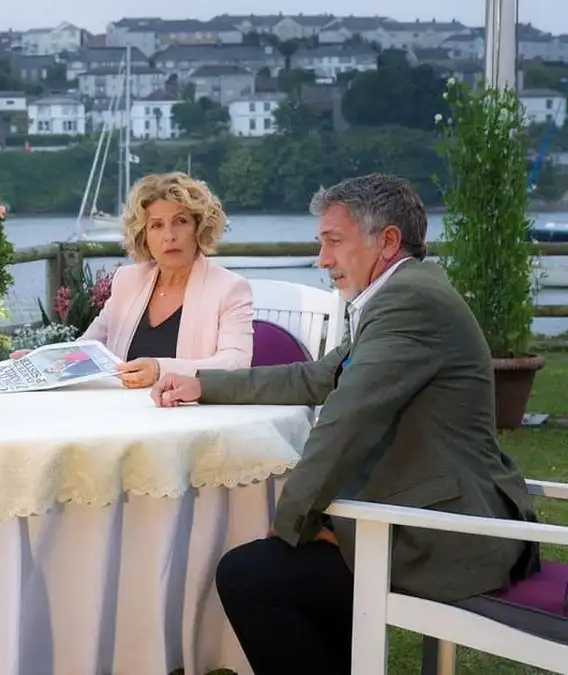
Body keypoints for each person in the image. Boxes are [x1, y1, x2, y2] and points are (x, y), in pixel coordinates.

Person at [151, 173, 541, 675]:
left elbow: (344, 420)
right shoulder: (403, 293)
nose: (322, 259)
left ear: (388, 241)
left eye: (334, 241)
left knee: (250, 575)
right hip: (424, 512)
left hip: (449, 537)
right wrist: (203, 384)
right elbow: (317, 377)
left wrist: (290, 526)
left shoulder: (409, 303)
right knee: (293, 571)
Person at [13, 171, 253, 387]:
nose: (169, 236)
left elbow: (236, 363)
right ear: (143, 235)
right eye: (156, 225)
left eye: (180, 221)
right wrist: (43, 362)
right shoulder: (127, 280)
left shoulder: (229, 288)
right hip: (123, 411)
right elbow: (89, 347)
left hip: (189, 411)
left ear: (199, 228)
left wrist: (160, 370)